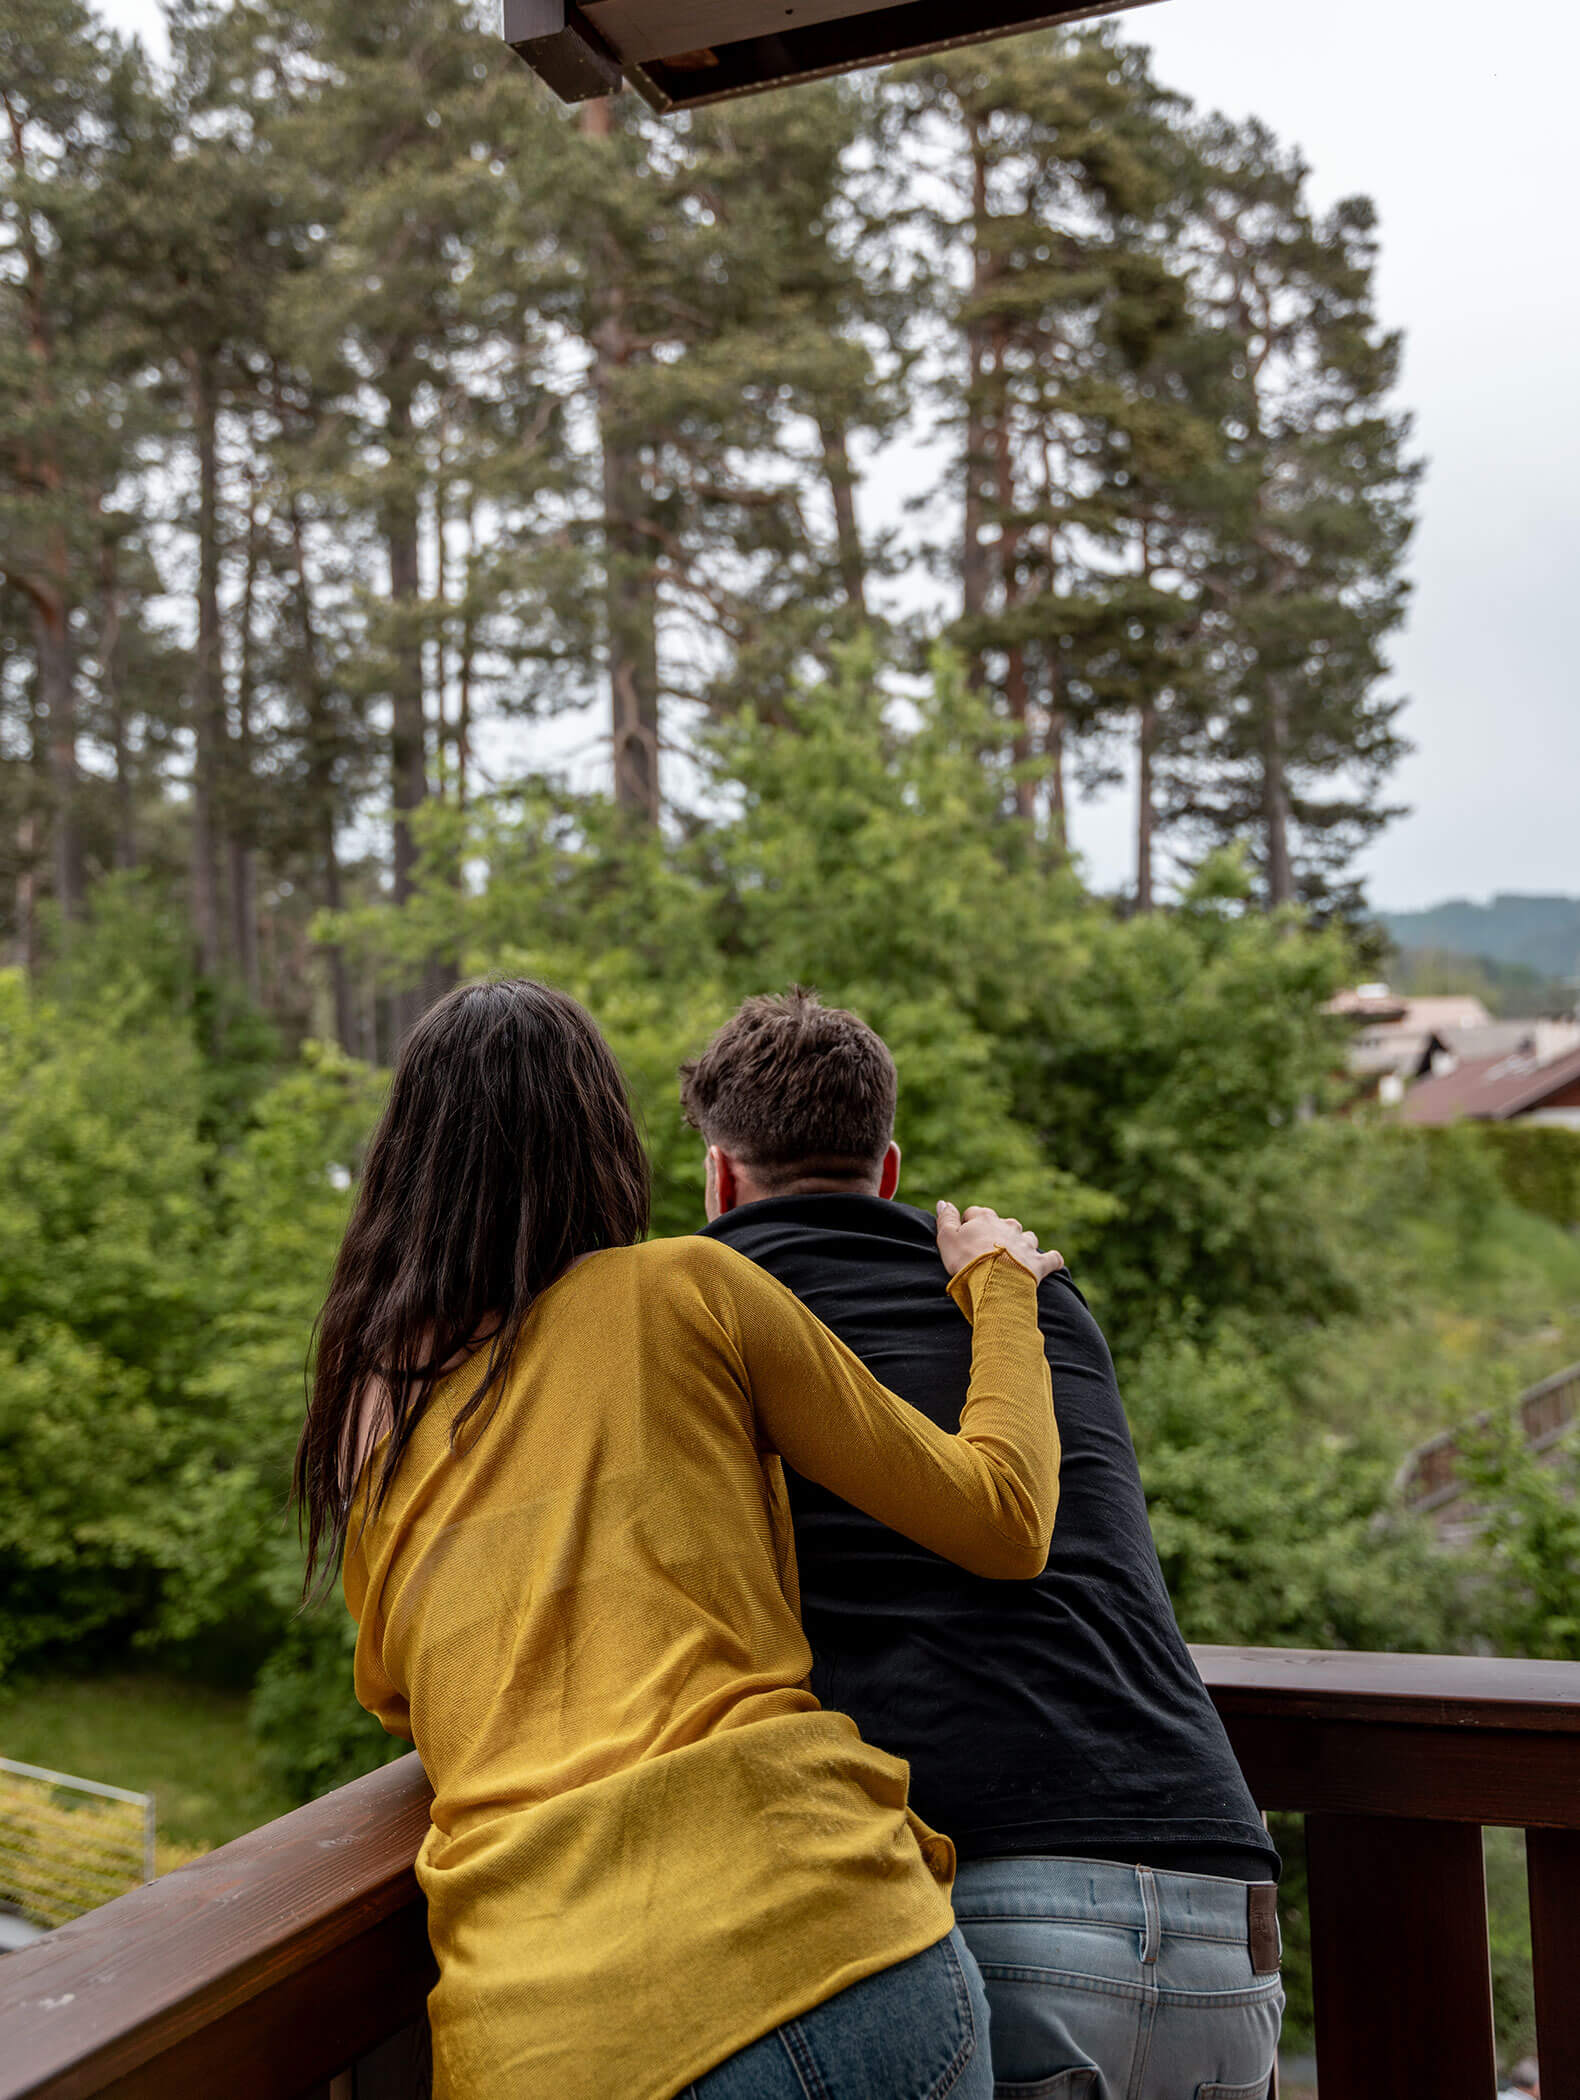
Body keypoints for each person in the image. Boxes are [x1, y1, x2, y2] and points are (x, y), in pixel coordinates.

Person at [294, 978, 1066, 2100]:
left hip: (548, 2034)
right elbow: (1002, 1517)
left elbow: (408, 1700)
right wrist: (999, 1290)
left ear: (401, 1172)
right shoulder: (692, 1286)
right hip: (838, 1942)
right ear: (605, 1142)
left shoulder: (371, 1420)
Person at [682, 988, 1285, 2100]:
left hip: (983, 1898)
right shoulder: (1026, 1295)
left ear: (720, 1177)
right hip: (1214, 1888)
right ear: (890, 1167)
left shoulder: (693, 1325)